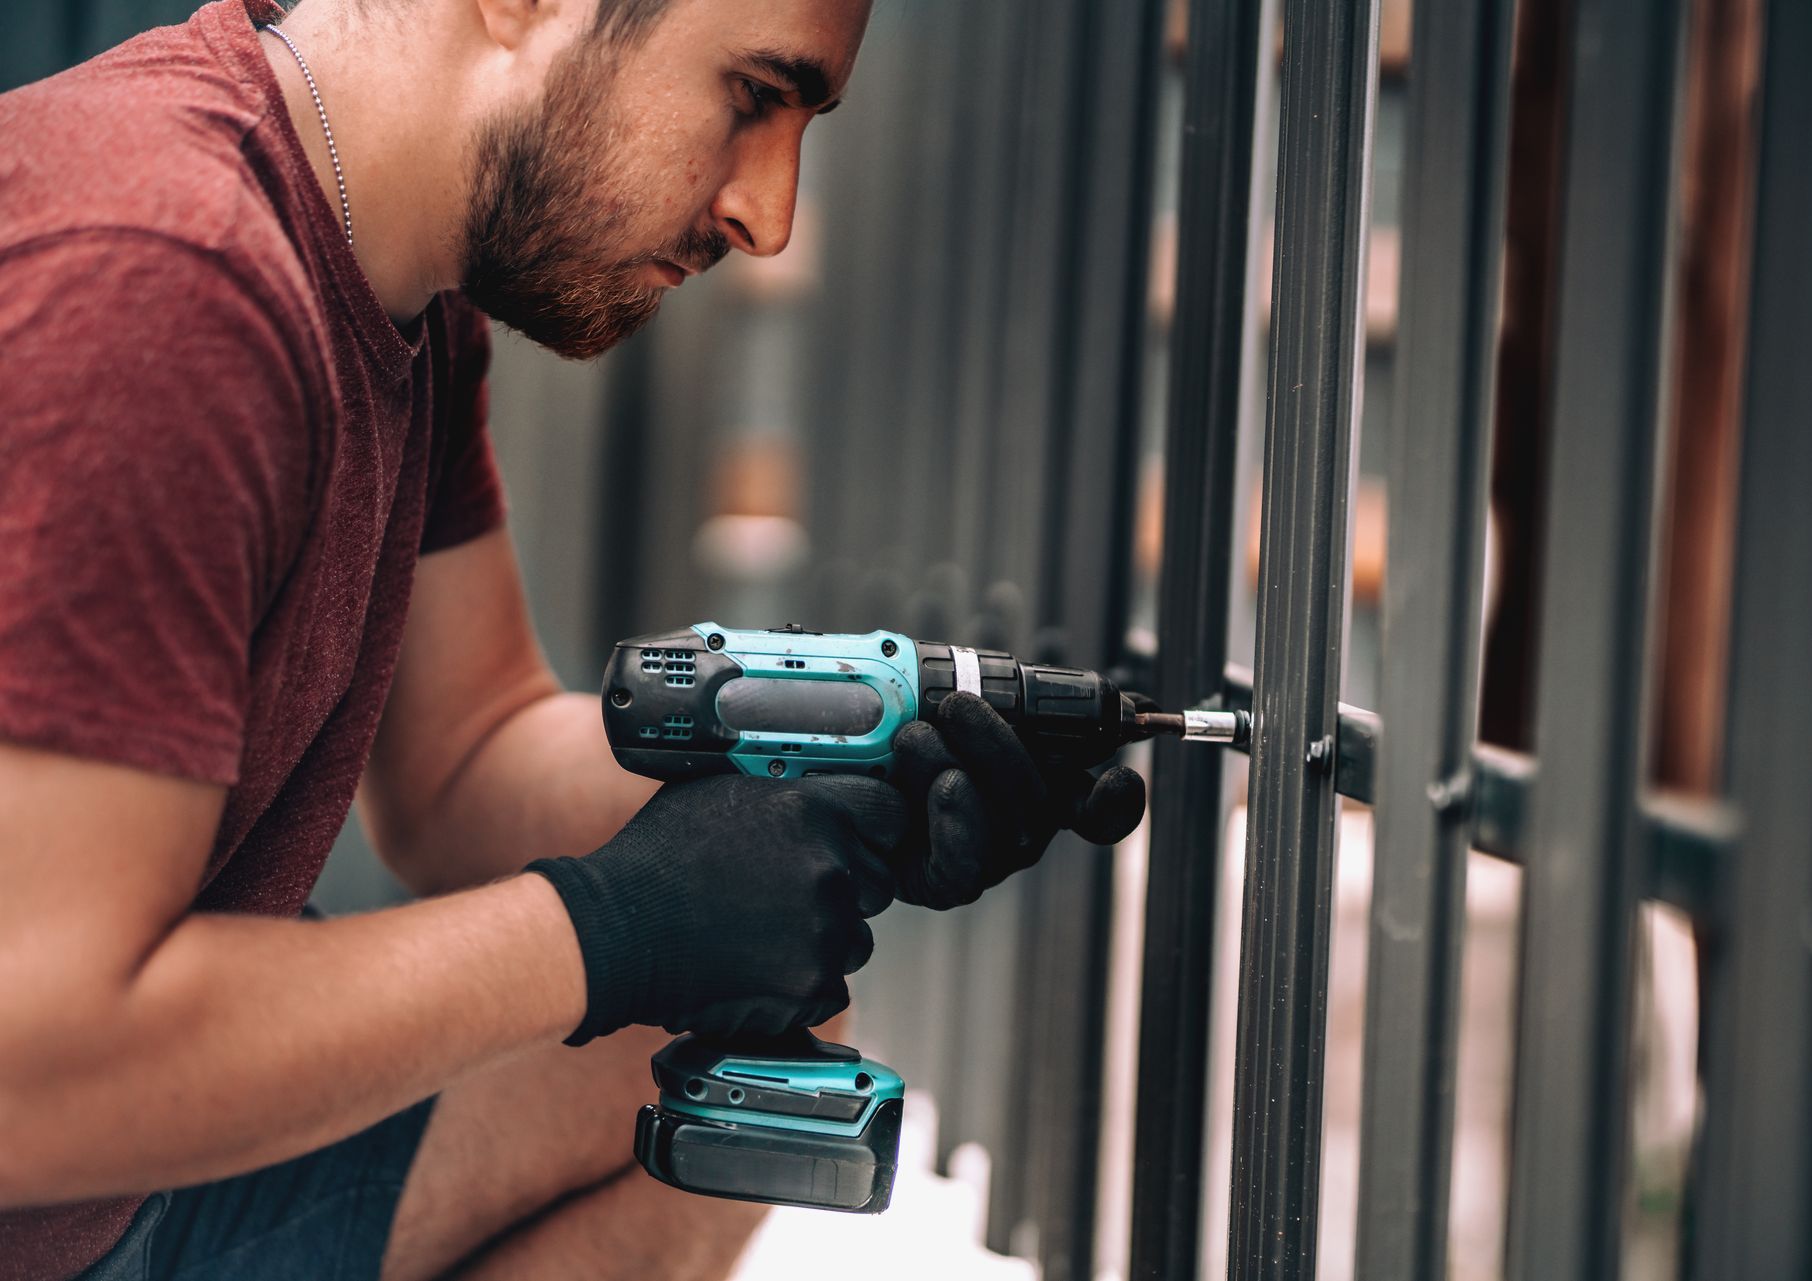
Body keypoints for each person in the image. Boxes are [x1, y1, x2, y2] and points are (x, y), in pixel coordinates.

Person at [0, 0, 1146, 1276]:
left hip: (124, 1183)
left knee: (720, 1075)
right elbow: (33, 1069)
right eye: (752, 97)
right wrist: (613, 926)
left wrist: (847, 773)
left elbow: (460, 764)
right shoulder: (164, 286)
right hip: (55, 1147)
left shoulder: (397, 283)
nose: (767, 215)